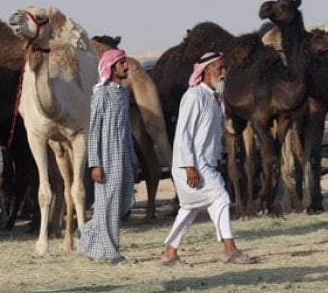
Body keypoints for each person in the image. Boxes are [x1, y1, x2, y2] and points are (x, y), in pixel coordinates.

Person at [160, 52, 257, 265]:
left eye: (224, 68)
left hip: (205, 164)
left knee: (190, 209)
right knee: (220, 197)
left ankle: (169, 253)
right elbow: (183, 133)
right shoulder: (193, 96)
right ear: (206, 71)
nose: (224, 72)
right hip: (192, 165)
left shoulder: (213, 98)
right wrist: (189, 166)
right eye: (220, 68)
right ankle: (230, 250)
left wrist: (217, 158)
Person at [78, 49, 137, 266]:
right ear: (111, 67)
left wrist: (132, 159)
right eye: (121, 63)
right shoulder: (101, 94)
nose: (126, 67)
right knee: (107, 205)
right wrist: (95, 163)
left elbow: (127, 129)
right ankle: (113, 254)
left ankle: (85, 234)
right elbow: (94, 131)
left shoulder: (123, 94)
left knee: (121, 202)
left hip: (122, 156)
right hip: (106, 157)